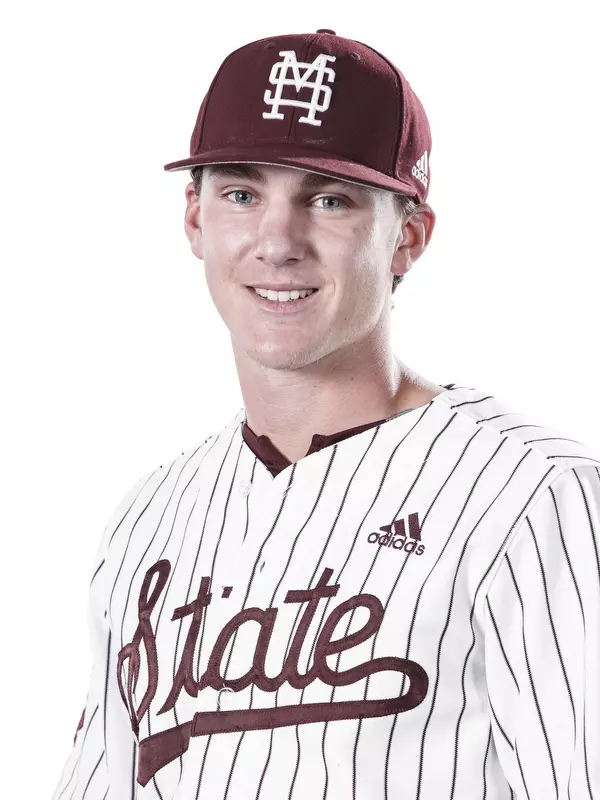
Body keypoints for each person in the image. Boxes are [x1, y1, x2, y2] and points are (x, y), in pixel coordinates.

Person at [52, 29, 600, 800]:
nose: (278, 242)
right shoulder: (148, 519)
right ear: (195, 220)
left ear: (407, 236)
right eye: (242, 194)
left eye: (330, 199)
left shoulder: (532, 498)